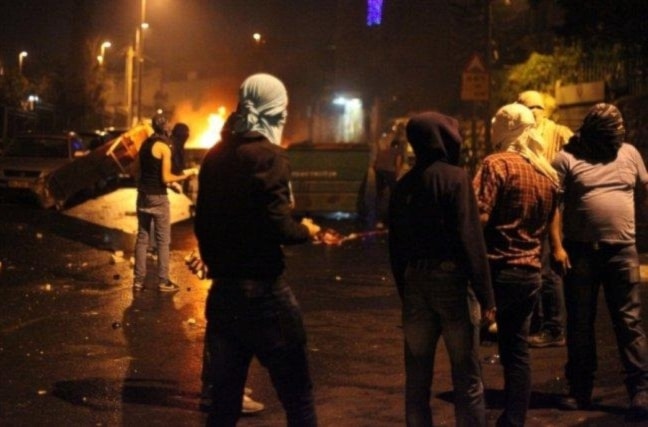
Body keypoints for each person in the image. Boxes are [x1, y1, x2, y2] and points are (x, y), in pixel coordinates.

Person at [194, 73, 321, 426]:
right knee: (298, 398)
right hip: (265, 296)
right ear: (273, 109)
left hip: (223, 296)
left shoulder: (214, 157)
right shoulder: (269, 158)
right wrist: (305, 231)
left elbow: (202, 224)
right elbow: (278, 224)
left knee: (223, 405)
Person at [388, 111, 496, 426]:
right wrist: (486, 294)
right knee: (467, 377)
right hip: (452, 284)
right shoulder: (456, 178)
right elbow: (470, 239)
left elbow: (395, 246)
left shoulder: (404, 184)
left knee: (417, 379)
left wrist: (404, 289)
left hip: (415, 283)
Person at [550, 103, 648, 420]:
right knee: (579, 323)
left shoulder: (630, 154)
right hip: (580, 253)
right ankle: (580, 391)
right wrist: (557, 247)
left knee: (629, 322)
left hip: (622, 250)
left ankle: (641, 391)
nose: (614, 144)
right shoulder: (566, 158)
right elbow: (555, 206)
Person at [473, 103, 559, 427]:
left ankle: (473, 416)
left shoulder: (495, 165)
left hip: (495, 272)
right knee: (517, 351)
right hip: (530, 273)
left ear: (503, 128)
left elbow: (478, 219)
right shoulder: (545, 172)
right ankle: (514, 419)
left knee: (469, 348)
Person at [517, 90, 573, 348]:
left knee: (547, 265)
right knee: (540, 263)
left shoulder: (545, 131)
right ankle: (542, 323)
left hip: (549, 201)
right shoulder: (559, 131)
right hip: (547, 199)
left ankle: (553, 328)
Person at [132, 113, 197, 292]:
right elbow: (166, 177)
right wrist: (188, 173)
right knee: (162, 241)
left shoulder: (145, 144)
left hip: (142, 195)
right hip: (158, 198)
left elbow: (134, 170)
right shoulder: (164, 147)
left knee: (142, 238)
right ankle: (163, 281)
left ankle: (138, 281)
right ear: (166, 127)